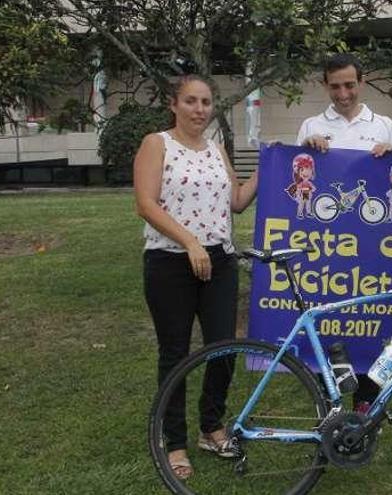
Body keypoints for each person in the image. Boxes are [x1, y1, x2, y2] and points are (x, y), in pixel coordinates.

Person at [134, 75, 259, 480]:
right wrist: (190, 242)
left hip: (219, 262)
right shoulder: (157, 144)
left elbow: (237, 201)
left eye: (206, 102)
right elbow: (146, 204)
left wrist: (271, 165)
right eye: (191, 101)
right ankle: (174, 442)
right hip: (170, 262)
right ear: (174, 104)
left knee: (223, 348)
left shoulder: (216, 149)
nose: (199, 109)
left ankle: (212, 427)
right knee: (176, 353)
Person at [296, 53, 392, 413]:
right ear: (325, 85)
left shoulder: (384, 123)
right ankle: (332, 399)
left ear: (361, 82)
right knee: (334, 318)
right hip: (329, 245)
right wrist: (308, 149)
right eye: (335, 86)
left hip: (374, 243)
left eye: (350, 85)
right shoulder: (310, 124)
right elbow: (300, 172)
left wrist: (391, 154)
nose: (343, 93)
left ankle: (367, 402)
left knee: (371, 318)